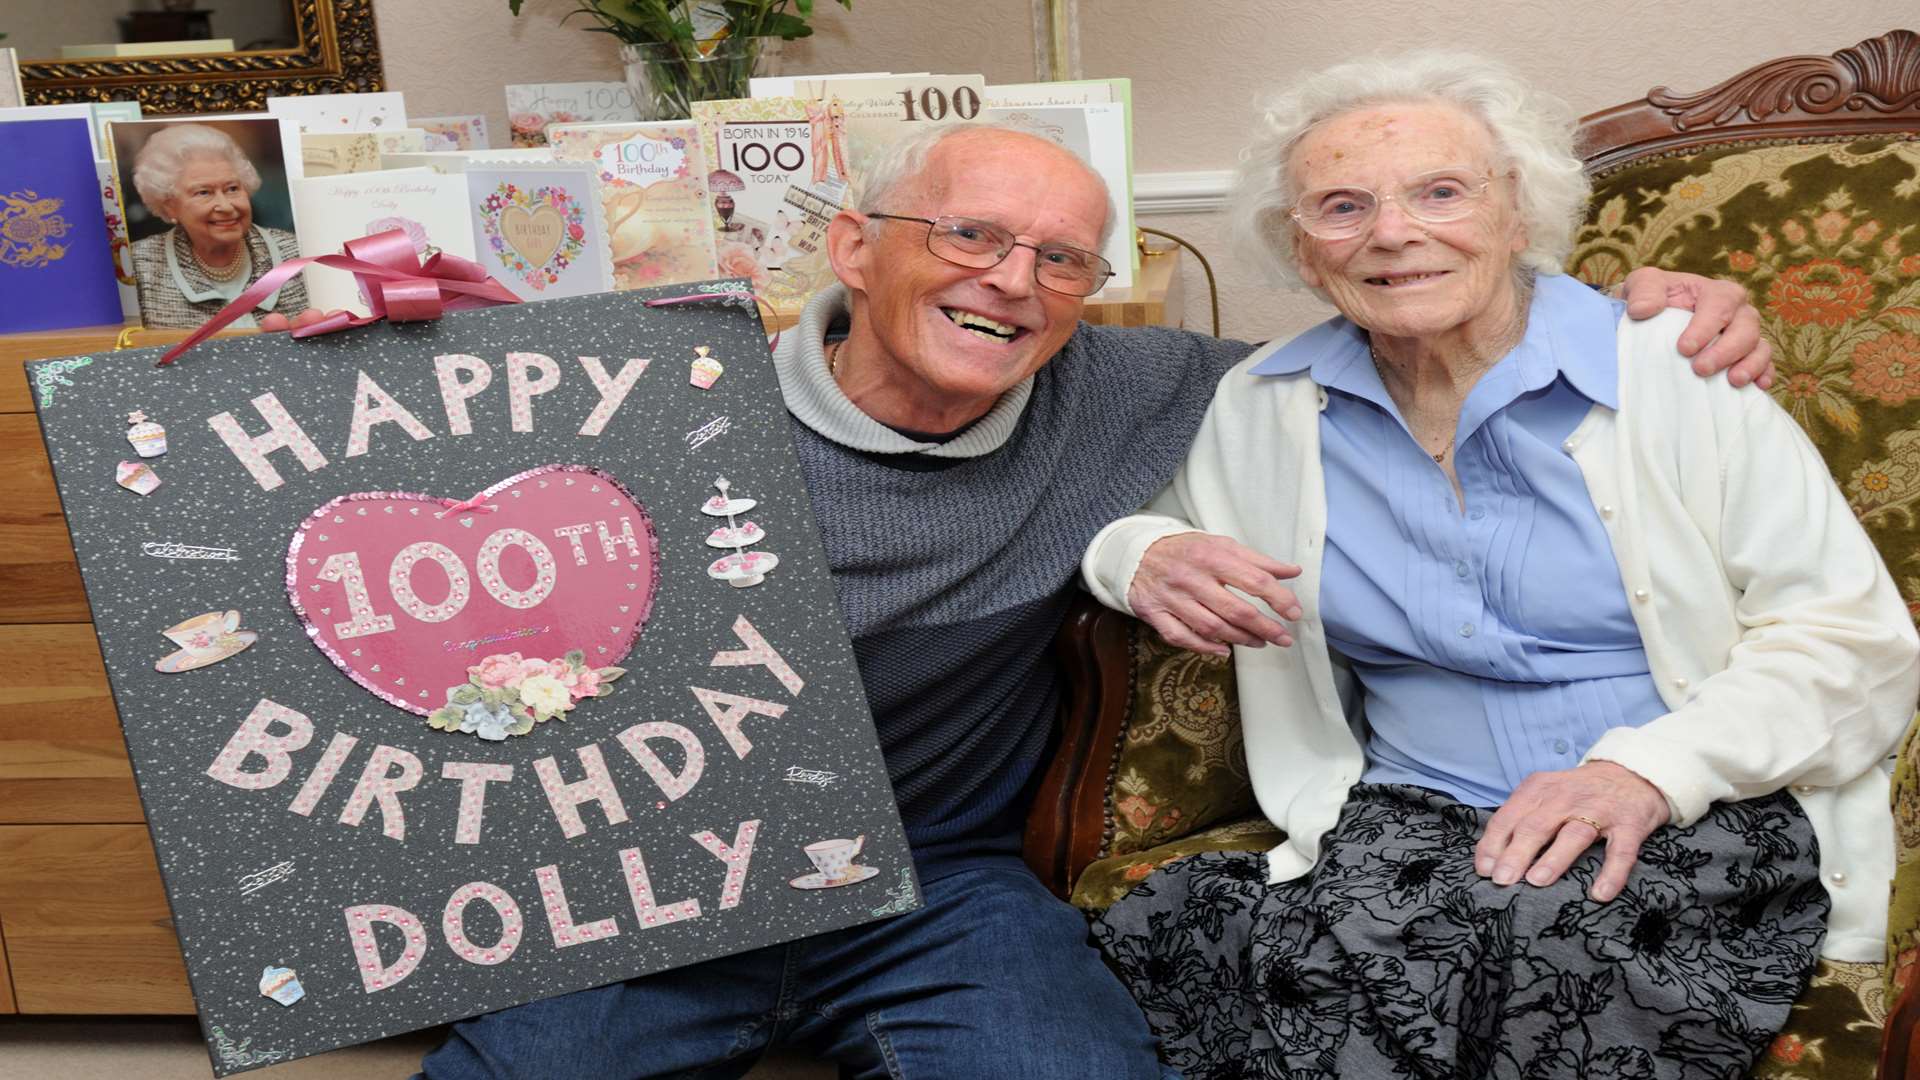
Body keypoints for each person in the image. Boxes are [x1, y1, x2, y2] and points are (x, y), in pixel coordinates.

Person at [418, 122, 1774, 1079]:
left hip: (938, 885)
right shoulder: (644, 407)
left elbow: (1413, 328)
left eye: (1063, 259)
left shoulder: (1136, 389)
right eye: (970, 235)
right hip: (649, 883)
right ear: (851, 244)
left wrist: (1625, 310)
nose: (1014, 280)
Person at [1083, 53, 1920, 1079]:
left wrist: (1644, 772)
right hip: (1405, 817)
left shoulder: (1674, 369)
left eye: (1442, 192)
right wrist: (1144, 553)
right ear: (1301, 249)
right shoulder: (1265, 403)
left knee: (1534, 946)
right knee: (1249, 944)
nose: (1393, 233)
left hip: (1684, 812)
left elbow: (1853, 638)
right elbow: (1148, 528)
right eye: (1343, 206)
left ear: (1517, 212)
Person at [127, 123, 312, 330]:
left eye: (232, 188)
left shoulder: (299, 254)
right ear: (169, 206)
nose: (225, 206)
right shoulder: (139, 268)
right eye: (203, 192)